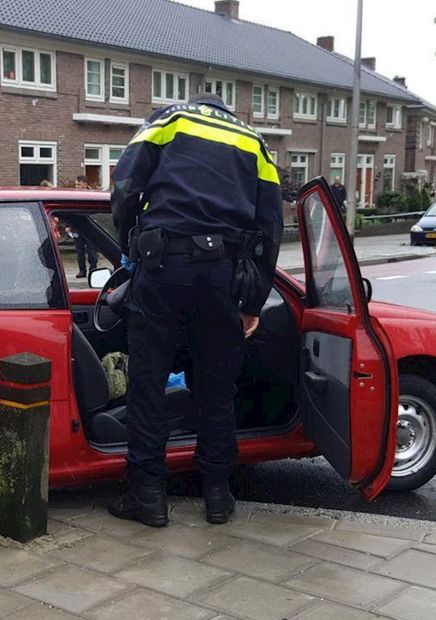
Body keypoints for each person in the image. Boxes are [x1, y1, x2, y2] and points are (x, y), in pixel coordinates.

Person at [108, 92, 283, 526]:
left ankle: (148, 497)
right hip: (224, 275)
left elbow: (125, 187)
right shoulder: (254, 142)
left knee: (148, 383)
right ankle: (219, 497)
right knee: (217, 389)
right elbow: (270, 227)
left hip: (163, 266)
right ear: (226, 109)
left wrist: (132, 242)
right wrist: (253, 300)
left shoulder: (169, 119)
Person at [69, 175, 99, 277]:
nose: (77, 186)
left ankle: (93, 269)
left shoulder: (92, 195)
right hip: (77, 227)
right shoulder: (73, 196)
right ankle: (82, 270)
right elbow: (70, 211)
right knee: (79, 251)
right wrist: (69, 225)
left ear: (85, 184)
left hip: (90, 226)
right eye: (76, 184)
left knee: (92, 250)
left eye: (79, 184)